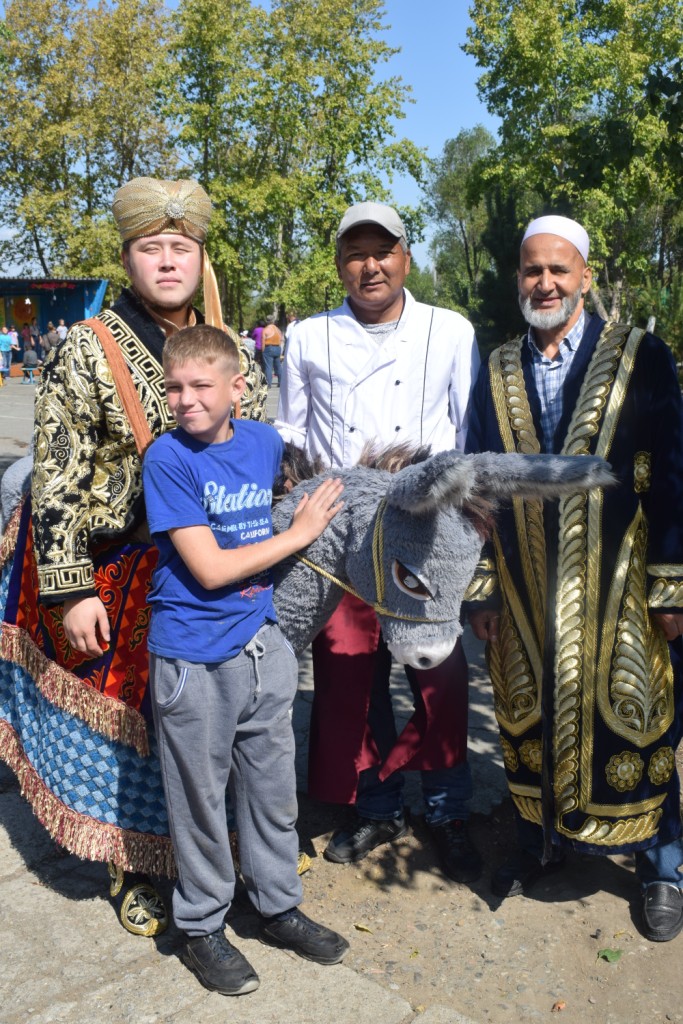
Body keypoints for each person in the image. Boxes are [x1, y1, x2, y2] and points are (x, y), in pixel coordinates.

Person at [0, 176, 267, 936]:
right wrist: (67, 588)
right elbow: (54, 471)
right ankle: (135, 864)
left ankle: (231, 848)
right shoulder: (89, 346)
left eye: (181, 247)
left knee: (217, 717)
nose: (168, 261)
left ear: (200, 257)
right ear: (128, 259)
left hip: (211, 559)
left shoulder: (221, 340)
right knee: (136, 731)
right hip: (119, 565)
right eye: (152, 249)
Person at [465, 214, 683, 942]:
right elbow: (475, 483)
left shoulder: (640, 356)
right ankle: (544, 840)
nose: (545, 282)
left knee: (639, 719)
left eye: (559, 269)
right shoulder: (496, 368)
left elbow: (675, 472)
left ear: (584, 276)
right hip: (525, 586)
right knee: (530, 720)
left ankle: (662, 864)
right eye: (532, 270)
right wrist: (483, 590)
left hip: (617, 584)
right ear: (517, 278)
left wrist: (670, 587)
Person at [276, 201, 483, 882]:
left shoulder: (448, 330)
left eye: (382, 251)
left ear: (405, 258)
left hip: (424, 528)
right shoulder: (308, 336)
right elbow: (291, 432)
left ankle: (449, 804)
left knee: (440, 674)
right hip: (345, 530)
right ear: (339, 263)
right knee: (347, 670)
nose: (370, 265)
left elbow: (468, 427)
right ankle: (378, 802)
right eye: (355, 254)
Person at [143, 323, 348, 994]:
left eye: (201, 385)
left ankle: (275, 904)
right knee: (200, 801)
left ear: (238, 388)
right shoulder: (167, 459)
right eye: (173, 386)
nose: (184, 399)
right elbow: (206, 568)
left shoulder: (262, 443)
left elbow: (287, 504)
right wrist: (297, 535)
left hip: (263, 647)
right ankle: (201, 925)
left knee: (269, 791)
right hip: (194, 656)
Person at [261, 316, 283, 387]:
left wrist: (262, 351)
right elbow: (281, 340)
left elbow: (263, 342)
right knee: (278, 366)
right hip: (277, 348)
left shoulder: (266, 330)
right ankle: (281, 382)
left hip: (269, 348)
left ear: (267, 321)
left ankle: (268, 383)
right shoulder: (278, 330)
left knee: (268, 366)